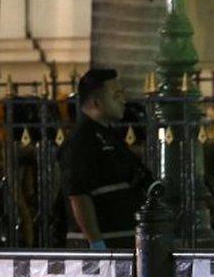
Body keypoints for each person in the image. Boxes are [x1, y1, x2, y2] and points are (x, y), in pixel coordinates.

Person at [62, 68, 153, 249]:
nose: (123, 100)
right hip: (104, 246)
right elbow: (78, 194)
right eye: (117, 95)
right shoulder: (82, 140)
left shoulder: (108, 135)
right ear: (97, 102)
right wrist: (96, 242)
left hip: (120, 242)